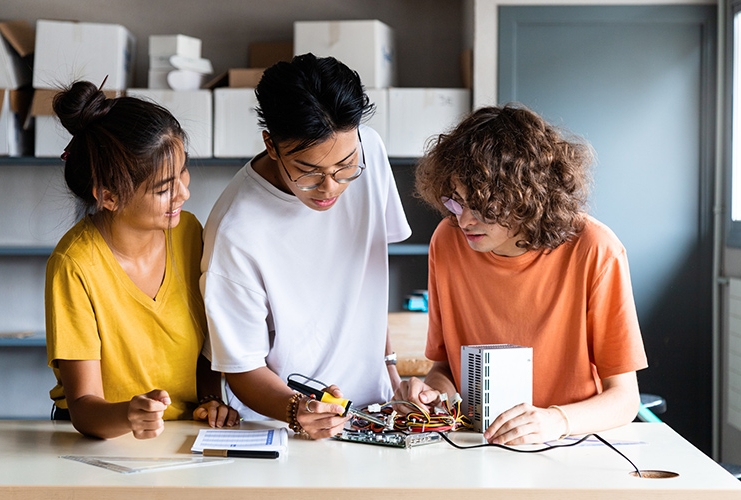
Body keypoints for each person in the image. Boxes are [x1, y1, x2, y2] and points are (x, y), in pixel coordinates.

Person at [395, 104, 648, 445]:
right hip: (477, 444)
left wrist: (553, 421)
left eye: (485, 208)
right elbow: (446, 370)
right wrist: (434, 397)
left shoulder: (596, 249)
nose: (466, 220)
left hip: (568, 444)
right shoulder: (447, 240)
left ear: (526, 198)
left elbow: (625, 400)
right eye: (457, 201)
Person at [201, 53, 411, 440]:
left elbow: (366, 277)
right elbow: (241, 367)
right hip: (278, 426)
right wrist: (296, 411)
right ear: (271, 145)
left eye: (345, 167)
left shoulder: (370, 150)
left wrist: (392, 371)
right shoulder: (235, 230)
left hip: (375, 413)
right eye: (309, 173)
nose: (331, 188)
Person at [45, 80, 238, 440]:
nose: (184, 192)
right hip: (103, 441)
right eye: (164, 188)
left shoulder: (189, 233)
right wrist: (130, 416)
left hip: (184, 436)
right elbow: (85, 408)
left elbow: (208, 344)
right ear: (109, 197)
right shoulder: (74, 265)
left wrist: (212, 397)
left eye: (183, 171)